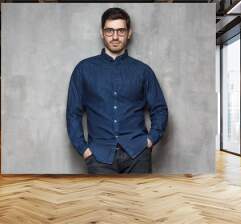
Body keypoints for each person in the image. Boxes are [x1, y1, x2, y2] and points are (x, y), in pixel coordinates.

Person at [66, 7, 168, 174]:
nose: (114, 36)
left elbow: (160, 109)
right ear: (101, 33)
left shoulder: (143, 71)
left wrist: (150, 141)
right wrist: (84, 150)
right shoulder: (83, 69)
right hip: (98, 158)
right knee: (103, 201)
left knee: (139, 200)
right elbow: (73, 113)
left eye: (120, 31)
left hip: (138, 155)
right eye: (109, 31)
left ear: (129, 33)